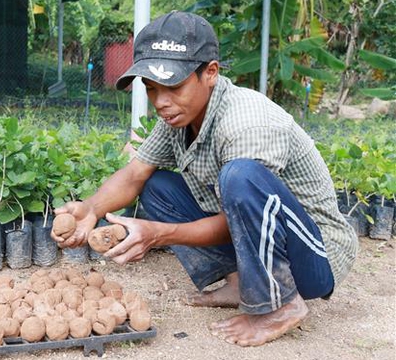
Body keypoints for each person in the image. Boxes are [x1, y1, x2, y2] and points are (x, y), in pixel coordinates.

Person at [50, 11, 358, 346]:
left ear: (210, 73)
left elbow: (245, 214)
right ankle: (241, 282)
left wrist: (159, 234)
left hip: (313, 257)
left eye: (173, 86)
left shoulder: (246, 122)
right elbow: (135, 173)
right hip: (262, 232)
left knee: (240, 176)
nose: (161, 102)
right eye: (152, 89)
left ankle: (282, 306)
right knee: (156, 185)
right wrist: (91, 209)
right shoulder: (180, 116)